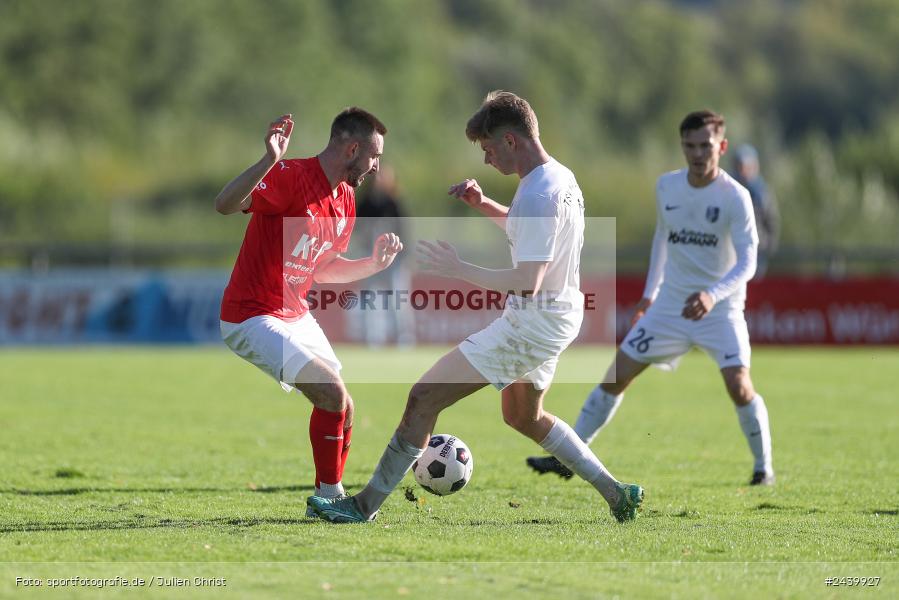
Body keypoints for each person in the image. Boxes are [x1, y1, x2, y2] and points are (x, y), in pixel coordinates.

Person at [307, 91, 644, 524]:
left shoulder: (540, 191)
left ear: (510, 141)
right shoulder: (556, 177)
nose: (486, 160)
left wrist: (457, 266)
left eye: (487, 150)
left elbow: (527, 281)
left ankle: (363, 505)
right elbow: (533, 231)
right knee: (524, 416)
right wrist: (483, 205)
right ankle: (617, 493)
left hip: (534, 321)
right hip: (556, 315)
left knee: (423, 397)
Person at [527, 110, 775, 486]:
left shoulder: (735, 197)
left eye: (705, 146)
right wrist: (649, 295)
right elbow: (664, 238)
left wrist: (712, 294)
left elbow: (749, 261)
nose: (697, 153)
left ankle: (763, 468)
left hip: (720, 311)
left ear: (721, 146)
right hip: (669, 307)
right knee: (615, 376)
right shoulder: (667, 187)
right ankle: (568, 459)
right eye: (689, 146)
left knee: (739, 386)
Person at [215, 109, 404, 508]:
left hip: (294, 312)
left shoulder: (346, 198)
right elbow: (225, 204)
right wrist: (269, 160)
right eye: (374, 157)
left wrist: (373, 264)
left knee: (344, 405)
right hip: (252, 315)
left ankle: (329, 491)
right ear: (352, 149)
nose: (376, 167)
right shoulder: (291, 177)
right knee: (331, 393)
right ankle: (331, 498)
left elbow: (322, 269)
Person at [354, 165, 415, 347]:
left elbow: (404, 231)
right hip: (369, 257)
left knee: (397, 297)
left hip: (394, 259)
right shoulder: (365, 202)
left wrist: (405, 257)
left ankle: (403, 338)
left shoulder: (393, 202)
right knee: (368, 298)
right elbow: (357, 228)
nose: (381, 180)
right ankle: (371, 338)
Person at [732, 144, 779, 278]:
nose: (742, 171)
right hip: (732, 250)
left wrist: (768, 246)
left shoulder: (762, 192)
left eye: (746, 166)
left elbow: (771, 221)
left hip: (757, 250)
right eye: (739, 166)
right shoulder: (728, 189)